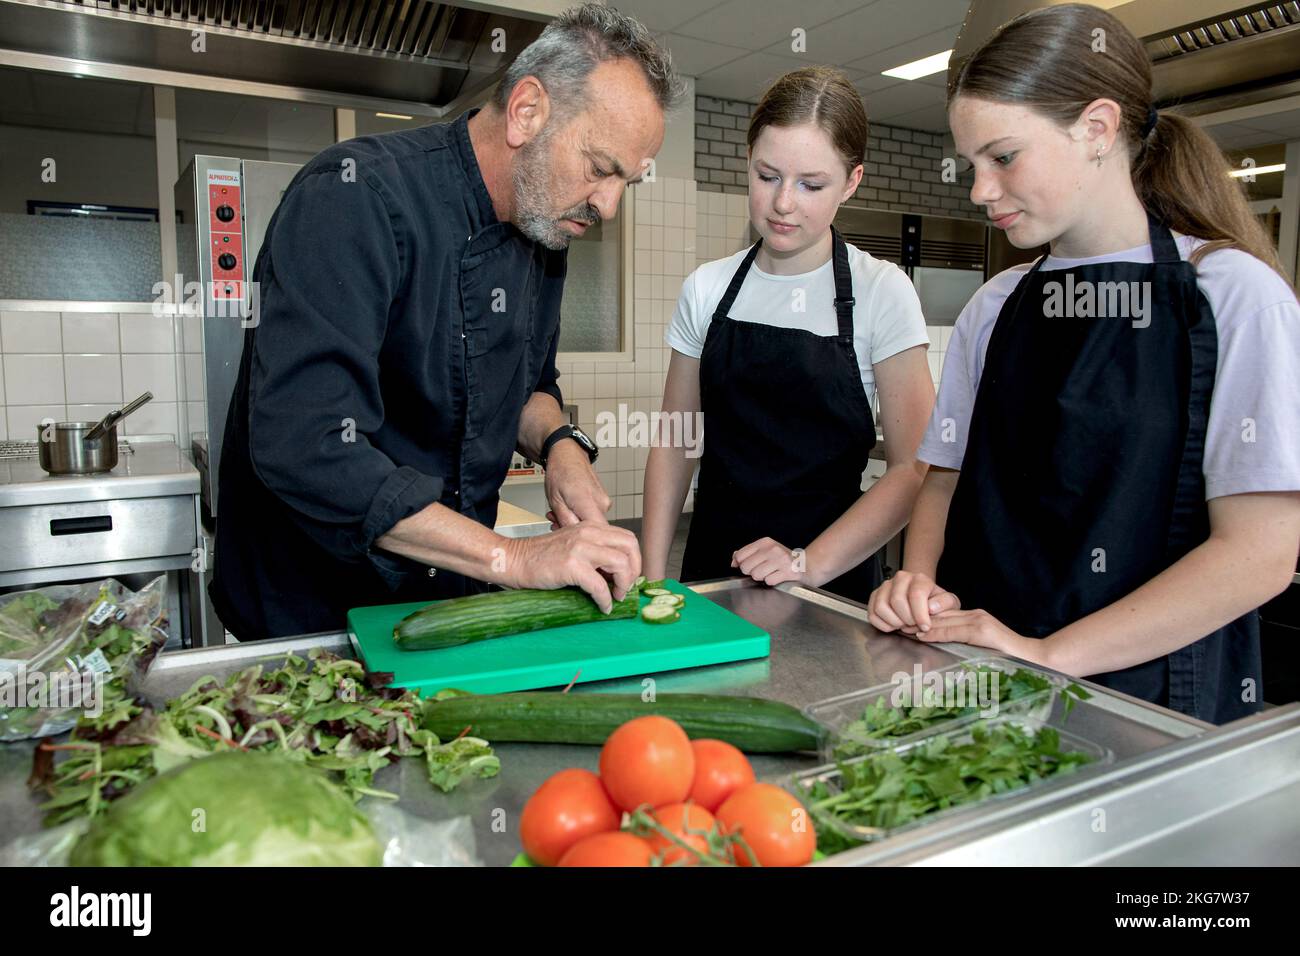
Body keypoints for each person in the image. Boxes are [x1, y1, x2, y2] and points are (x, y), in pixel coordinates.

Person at [867, 3, 1300, 724]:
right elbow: (943, 480)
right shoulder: (998, 305)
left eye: (1002, 157)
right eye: (971, 165)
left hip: (1152, 704)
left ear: (1097, 129)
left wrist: (1047, 654)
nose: (979, 191)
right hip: (984, 680)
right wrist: (916, 581)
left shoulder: (1232, 296)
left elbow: (1260, 554)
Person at [211, 5, 684, 639]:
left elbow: (530, 384)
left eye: (626, 180)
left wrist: (561, 446)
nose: (608, 204)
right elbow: (308, 442)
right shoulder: (354, 197)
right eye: (600, 168)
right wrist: (513, 556)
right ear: (526, 111)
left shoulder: (543, 232)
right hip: (315, 614)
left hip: (445, 606)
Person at [641, 66, 935, 602]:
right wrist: (652, 578)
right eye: (767, 175)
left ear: (851, 181)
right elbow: (678, 439)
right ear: (747, 161)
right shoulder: (708, 287)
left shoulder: (881, 292)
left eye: (811, 184)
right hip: (712, 570)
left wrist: (807, 563)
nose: (782, 203)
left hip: (829, 580)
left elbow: (913, 468)